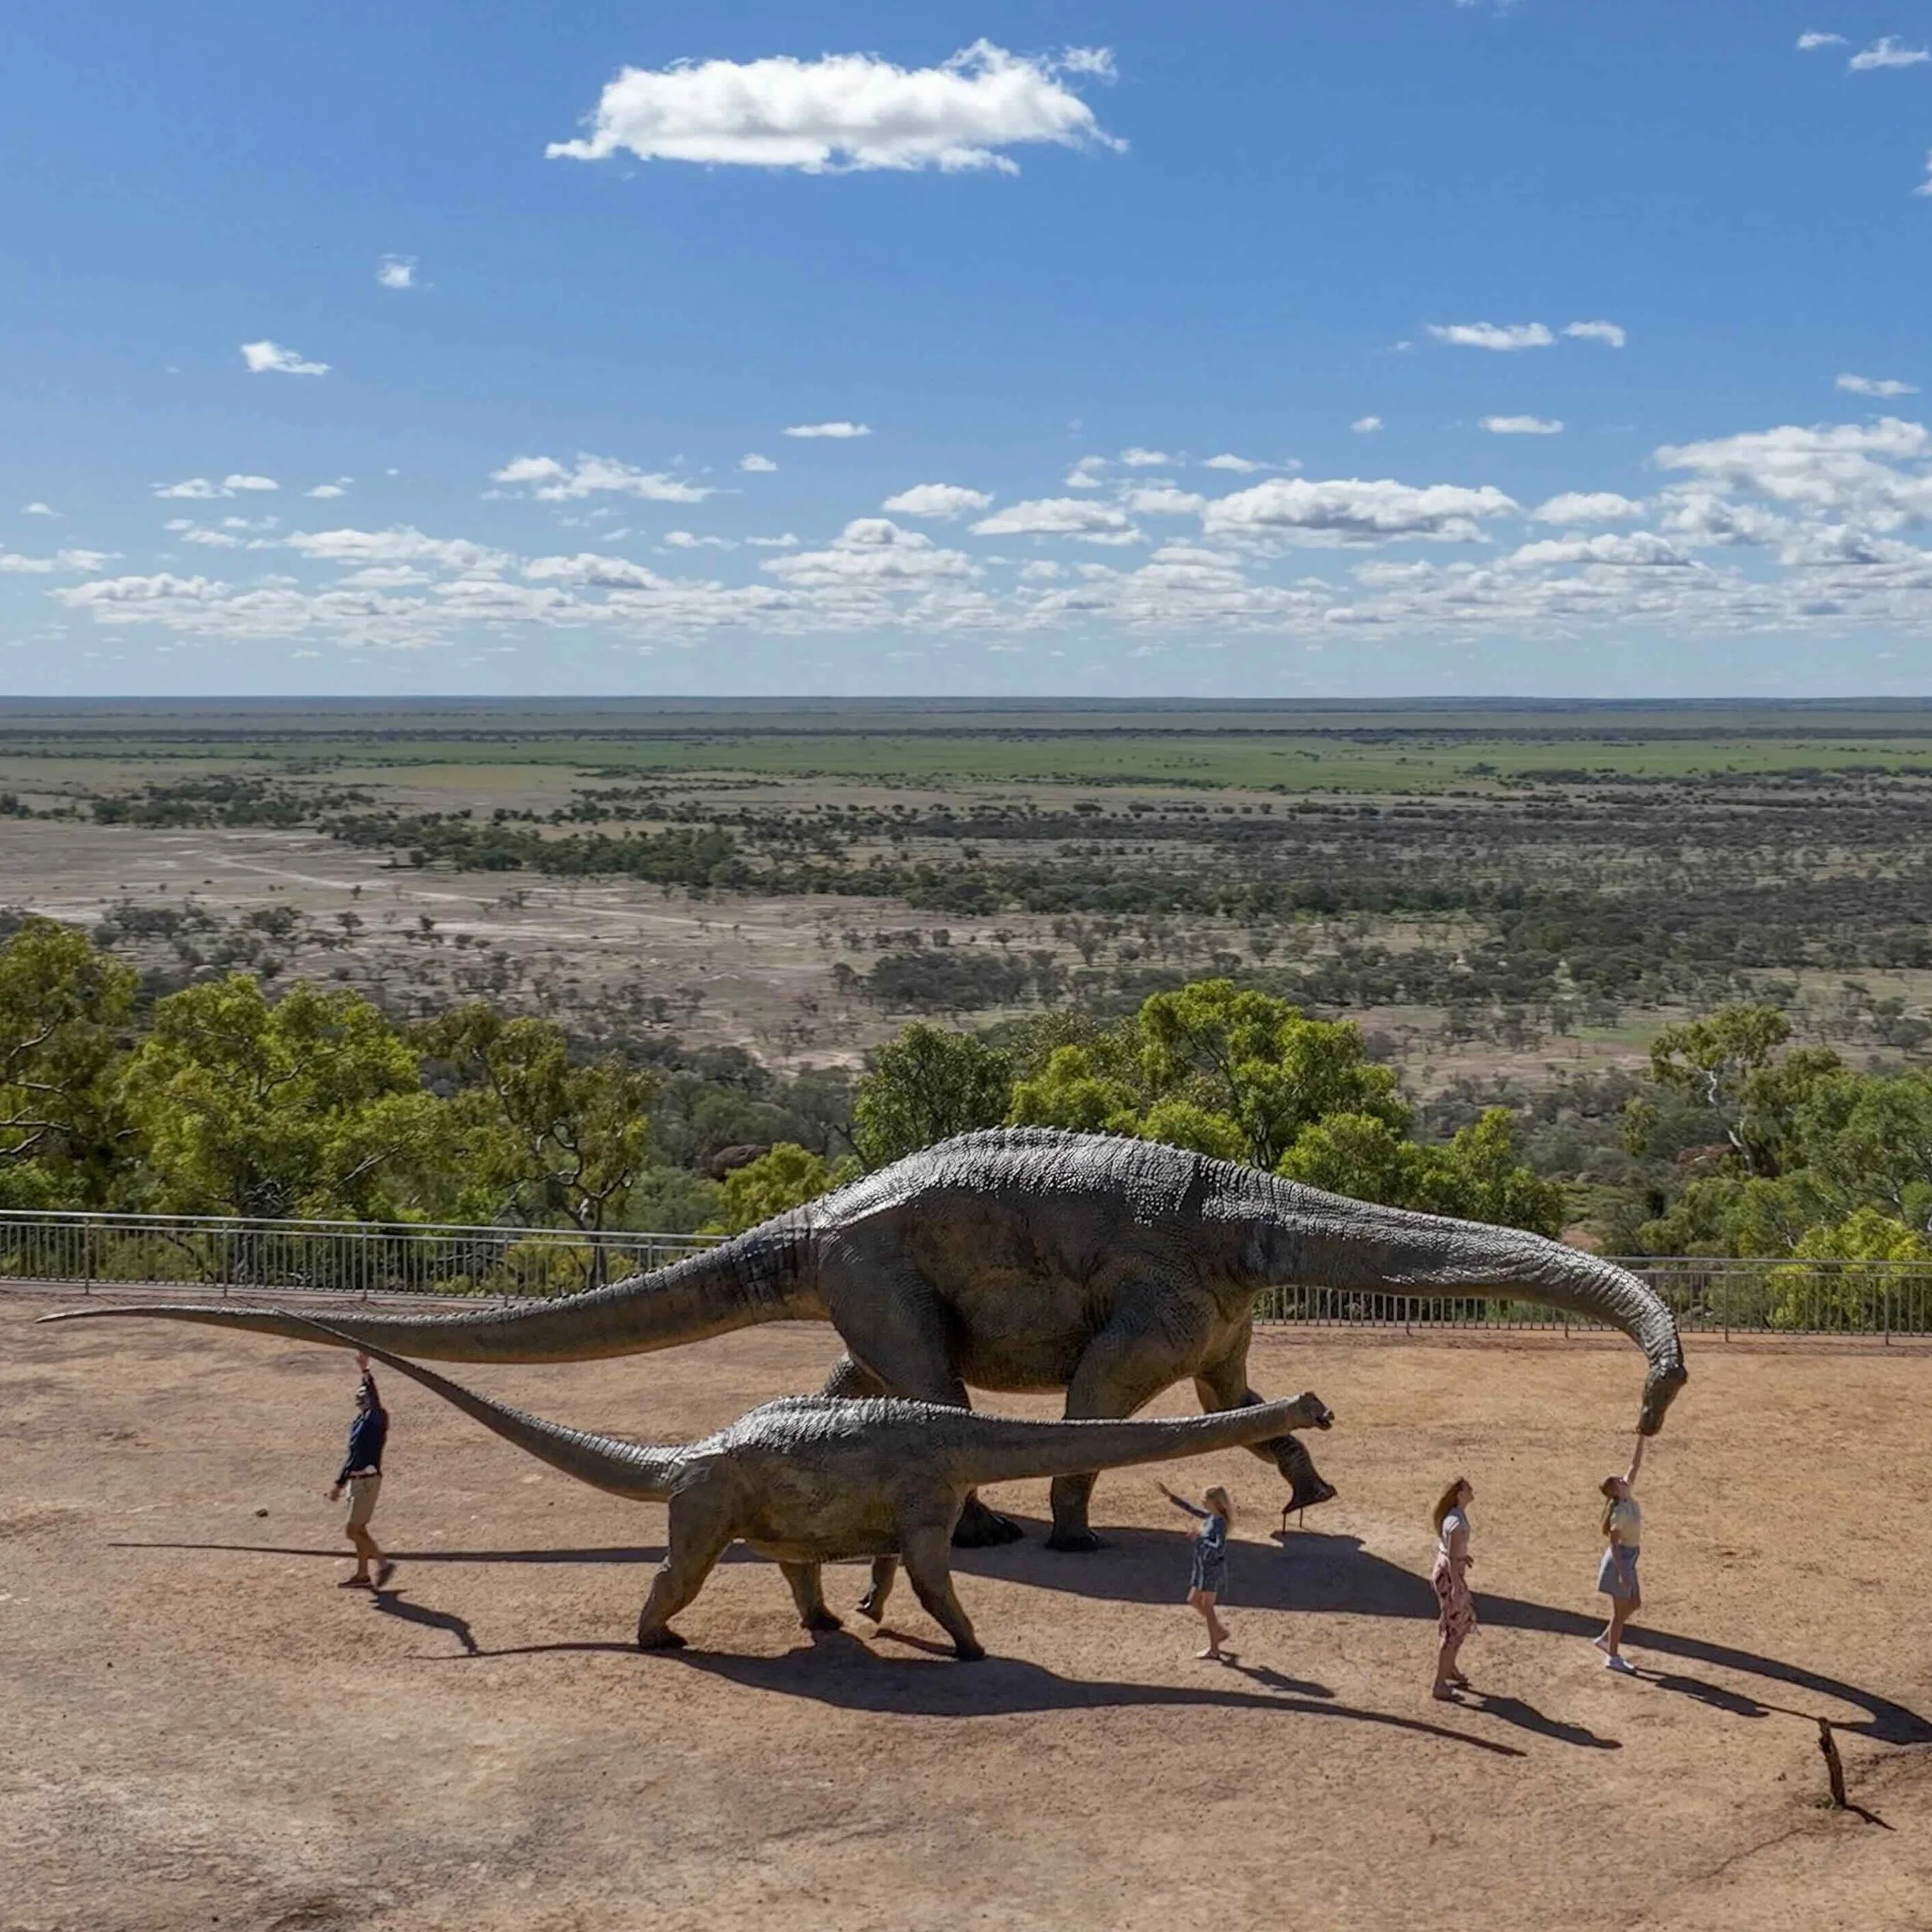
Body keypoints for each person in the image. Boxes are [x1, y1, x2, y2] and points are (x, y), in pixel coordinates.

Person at [328, 1352, 393, 1590]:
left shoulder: (377, 1419)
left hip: (368, 1482)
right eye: (359, 1397)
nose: (361, 1399)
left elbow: (374, 1398)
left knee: (352, 1530)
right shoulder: (358, 1423)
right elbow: (352, 1457)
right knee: (360, 1530)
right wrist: (339, 1484)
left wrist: (366, 1372)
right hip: (356, 1482)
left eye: (364, 1396)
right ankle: (362, 1575)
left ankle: (384, 1563)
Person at [1158, 1481, 1235, 1661]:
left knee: (1207, 1607)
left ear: (1214, 1502)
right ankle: (1220, 1632)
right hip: (1202, 1567)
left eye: (1205, 1499)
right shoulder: (1210, 1517)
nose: (1202, 1502)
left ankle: (1214, 1649)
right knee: (1193, 1600)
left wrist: (1199, 1539)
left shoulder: (1219, 1523)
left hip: (1212, 1569)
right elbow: (1191, 1509)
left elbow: (1219, 1549)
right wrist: (1171, 1496)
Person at [1594, 1434, 1645, 1673]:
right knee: (1619, 1611)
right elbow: (1614, 1546)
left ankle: (1607, 1639)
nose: (1623, 1480)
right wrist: (1623, 1573)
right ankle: (1612, 1657)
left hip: (1629, 1559)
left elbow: (1635, 1463)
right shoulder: (1619, 1514)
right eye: (1618, 1481)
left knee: (1634, 1602)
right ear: (1615, 1490)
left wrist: (1642, 1436)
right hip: (1619, 1562)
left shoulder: (1627, 1495)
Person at [1430, 1476, 1477, 1700]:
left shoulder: (1454, 1517)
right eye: (1468, 1488)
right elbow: (1450, 1556)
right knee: (1454, 1629)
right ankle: (1440, 1683)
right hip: (1451, 1579)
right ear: (1459, 1494)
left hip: (1447, 1575)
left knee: (1460, 1623)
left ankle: (1449, 1669)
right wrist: (1458, 1585)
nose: (1472, 1490)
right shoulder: (1456, 1522)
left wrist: (1462, 1557)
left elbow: (1451, 1551)